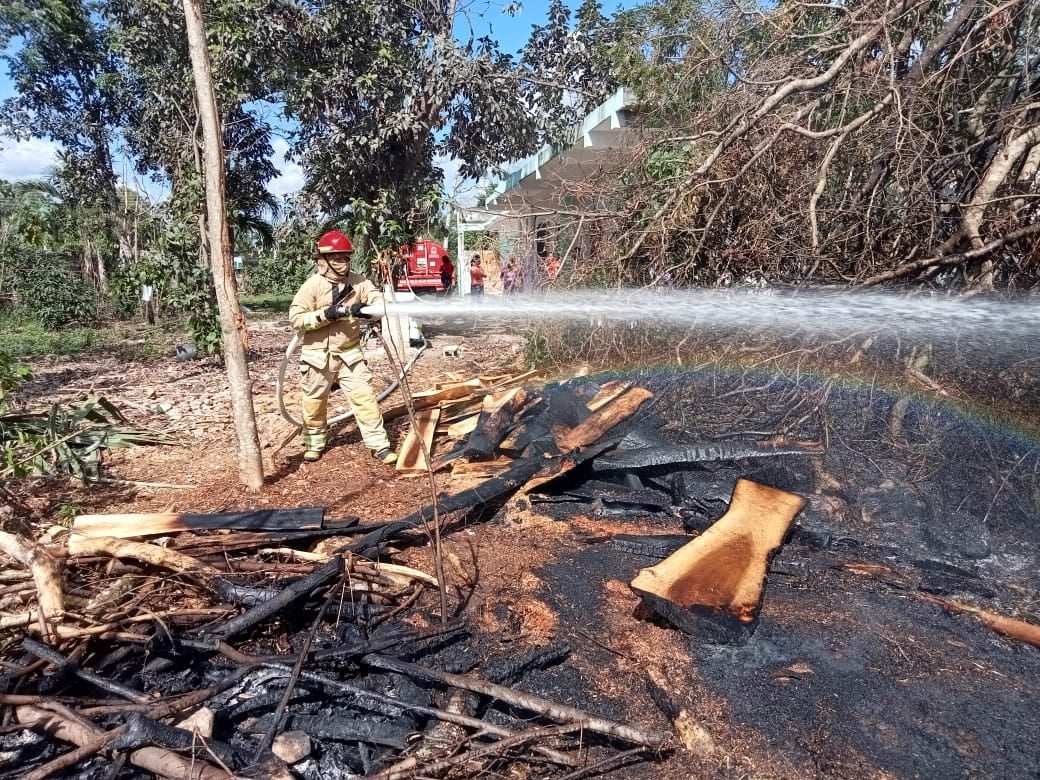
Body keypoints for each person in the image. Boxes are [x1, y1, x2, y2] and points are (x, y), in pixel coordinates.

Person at [289, 230, 397, 465]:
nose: (343, 262)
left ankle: (379, 445)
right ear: (323, 261)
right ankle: (314, 444)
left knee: (365, 399)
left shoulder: (359, 282)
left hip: (350, 355)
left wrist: (369, 310)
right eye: (337, 258)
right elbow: (296, 319)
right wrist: (326, 315)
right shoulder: (312, 286)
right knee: (314, 402)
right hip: (317, 357)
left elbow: (380, 302)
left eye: (346, 257)